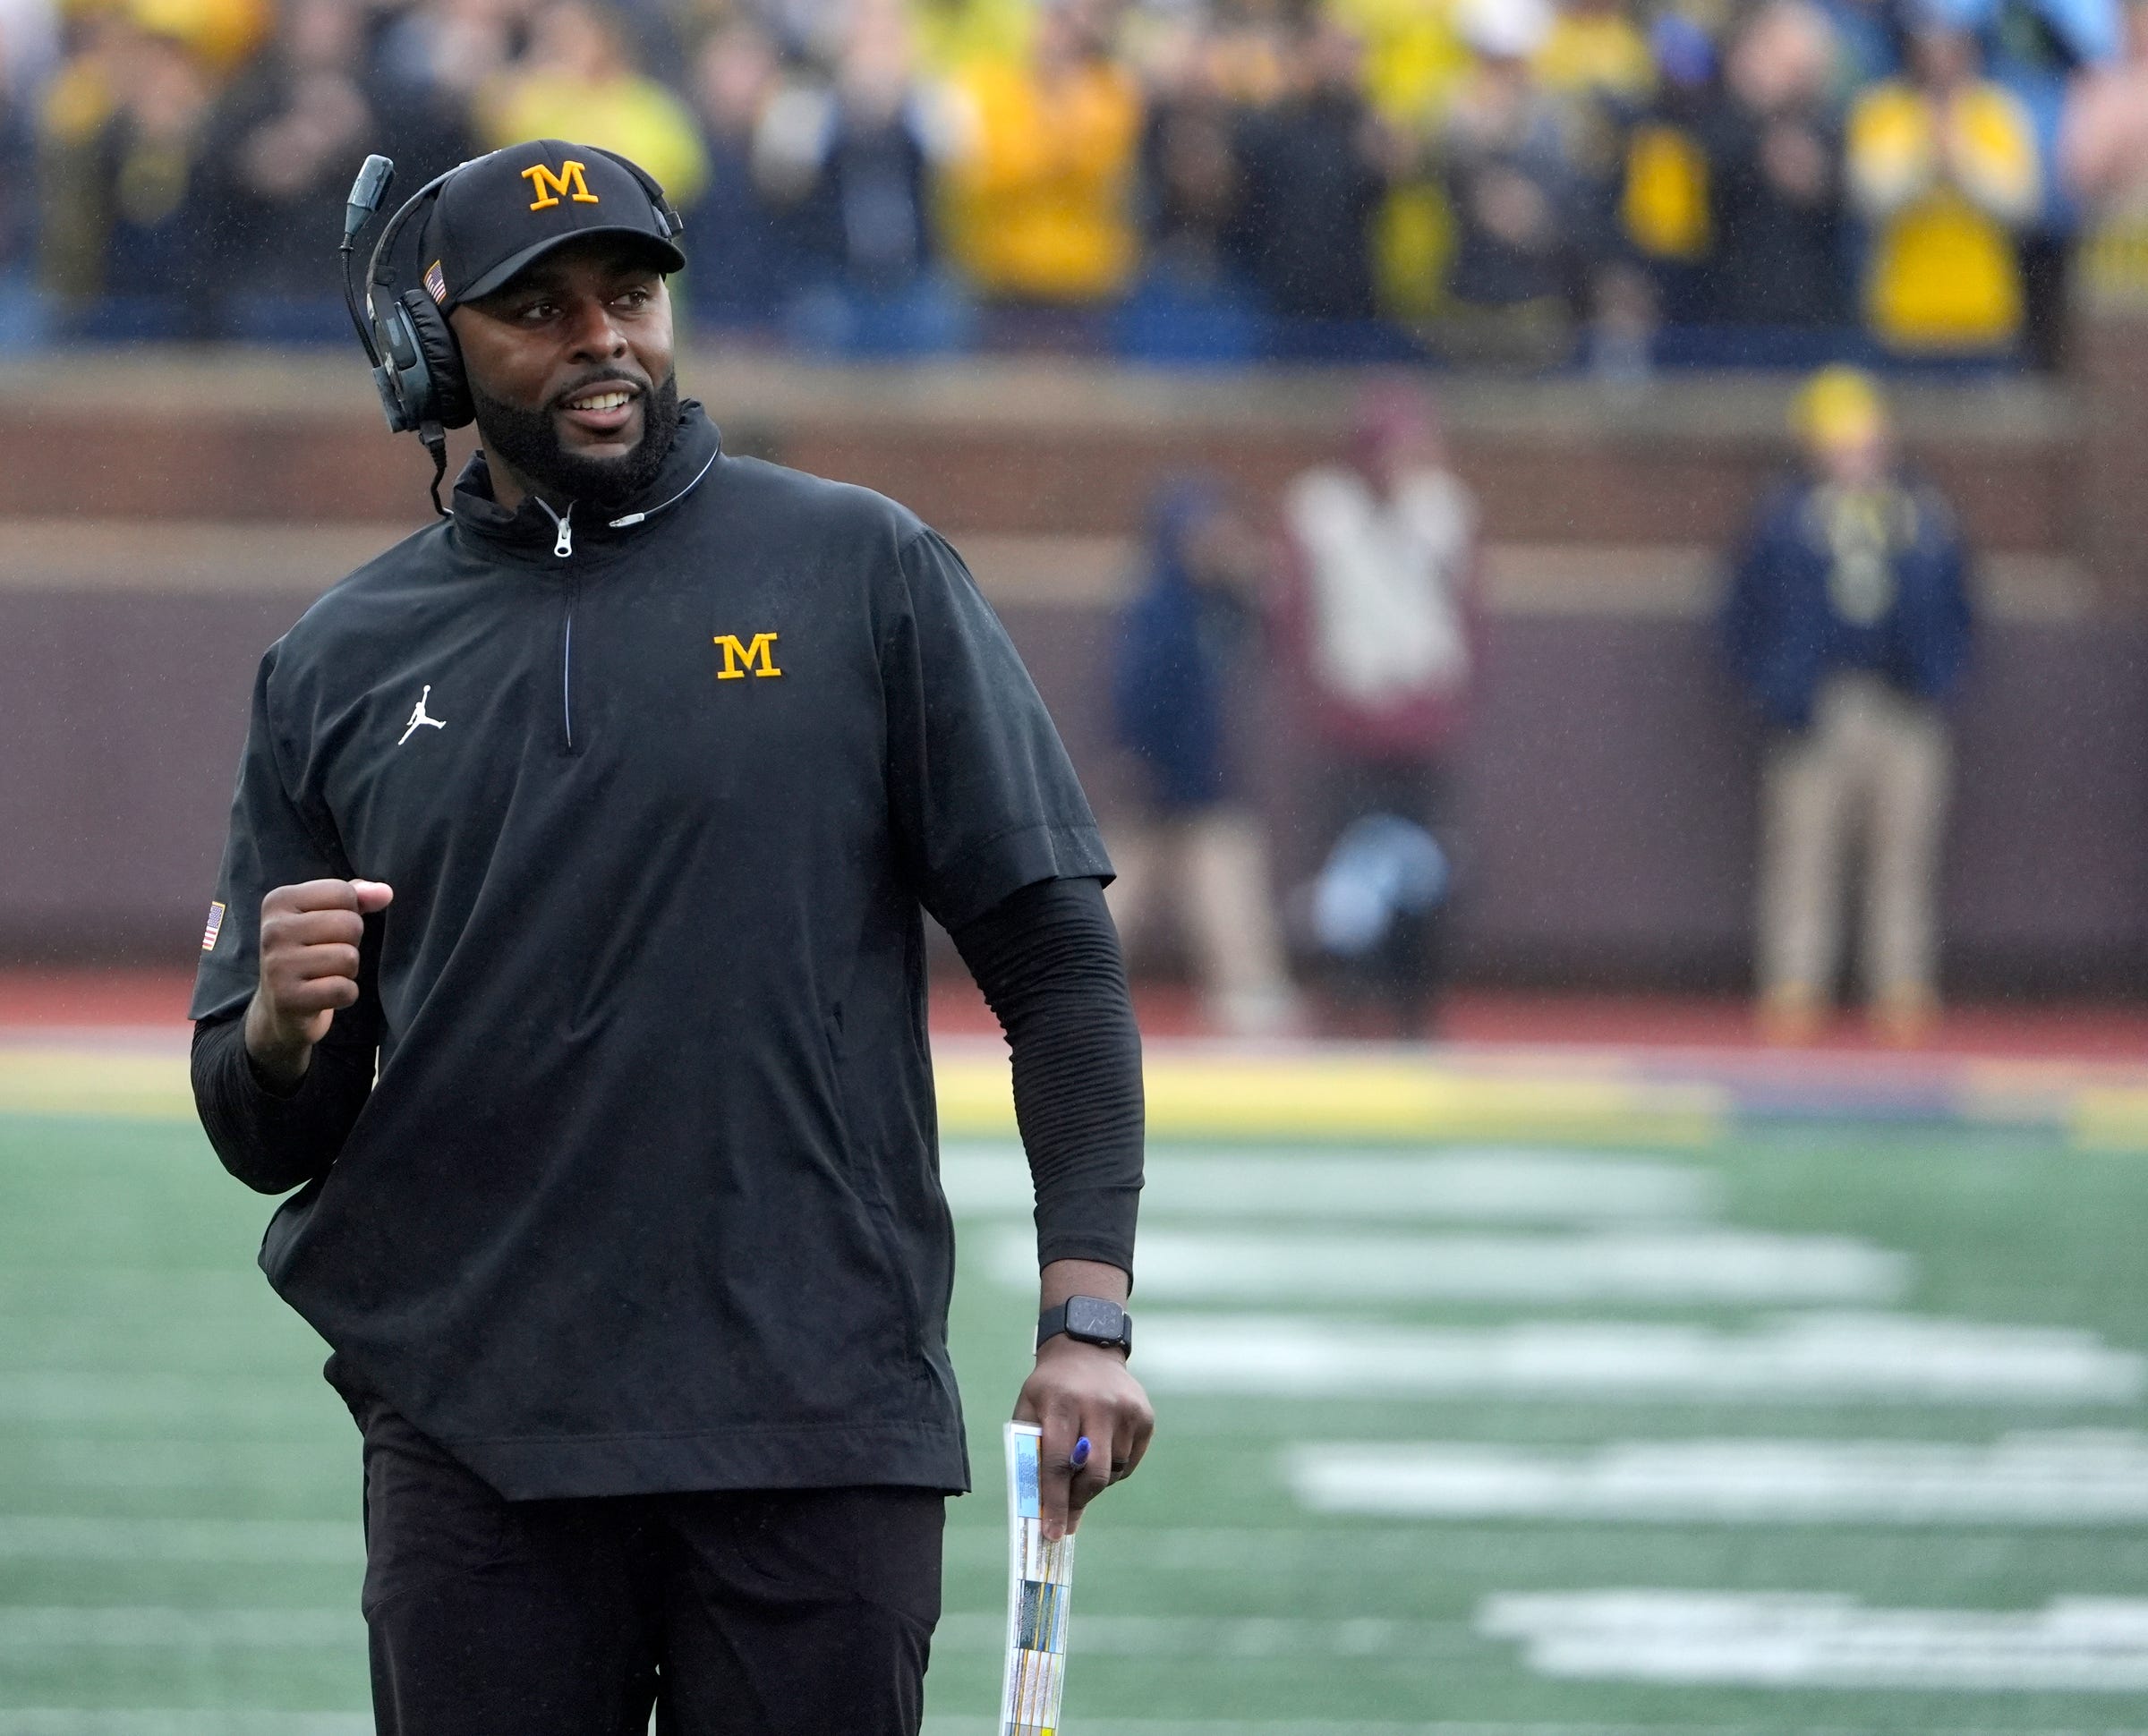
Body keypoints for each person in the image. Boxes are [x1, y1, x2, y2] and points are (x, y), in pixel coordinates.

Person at [187, 139, 1151, 1734]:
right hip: (475, 1428)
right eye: (540, 311)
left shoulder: (863, 569)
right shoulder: (335, 662)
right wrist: (282, 1038)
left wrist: (1086, 1312)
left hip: (815, 1418)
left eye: (629, 296)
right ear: (430, 347)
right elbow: (261, 1127)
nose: (602, 341)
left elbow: (1053, 963)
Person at [1721, 367, 1973, 1046]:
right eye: (1841, 439)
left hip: (1902, 700)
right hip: (1818, 704)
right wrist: (1778, 688)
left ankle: (1901, 982)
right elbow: (1741, 613)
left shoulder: (1921, 515)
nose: (1856, 453)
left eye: (1865, 438)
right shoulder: (1783, 520)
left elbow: (1959, 603)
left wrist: (1936, 676)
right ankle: (1796, 981)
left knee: (1904, 851)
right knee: (1804, 850)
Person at [1277, 383, 1480, 1035]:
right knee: (1348, 872)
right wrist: (1326, 702)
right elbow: (1299, 620)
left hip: (1420, 722)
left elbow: (1469, 617)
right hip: (1350, 722)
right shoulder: (1322, 514)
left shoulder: (1444, 513)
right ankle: (1347, 992)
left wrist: (1445, 699)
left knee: (1422, 868)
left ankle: (1413, 998)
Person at [1108, 478, 1300, 1037]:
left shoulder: (1216, 605)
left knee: (1226, 886)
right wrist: (1136, 760)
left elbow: (1266, 638)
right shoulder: (1156, 610)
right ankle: (1062, 983)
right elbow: (1134, 695)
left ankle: (1249, 992)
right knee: (1118, 891)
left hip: (1206, 774)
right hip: (1159, 773)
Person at [1845, 13, 2041, 356]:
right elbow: (1868, 201)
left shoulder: (1997, 112)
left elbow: (2023, 207)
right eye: (1930, 46)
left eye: (1951, 46)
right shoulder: (1883, 110)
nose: (1940, 59)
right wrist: (1926, 163)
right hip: (1902, 311)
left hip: (1984, 309)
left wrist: (1962, 168)